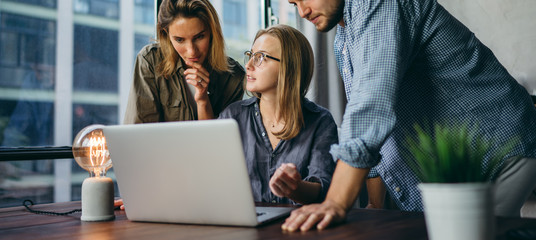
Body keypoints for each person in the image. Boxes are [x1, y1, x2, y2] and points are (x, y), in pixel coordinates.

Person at [282, 0, 536, 231]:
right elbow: (364, 117)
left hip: (497, 142)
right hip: (457, 162)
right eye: (294, 4)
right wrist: (374, 203)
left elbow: (371, 106)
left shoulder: (377, 3)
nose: (303, 11)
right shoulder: (344, 41)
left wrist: (336, 201)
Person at [218, 24, 338, 204]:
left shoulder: (321, 122)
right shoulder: (232, 117)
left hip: (299, 227)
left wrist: (296, 188)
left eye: (260, 57)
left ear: (289, 66)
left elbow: (323, 190)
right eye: (250, 55)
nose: (249, 65)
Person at [123, 0, 244, 123]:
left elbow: (219, 140)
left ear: (212, 32)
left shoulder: (233, 77)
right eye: (180, 40)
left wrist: (203, 102)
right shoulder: (150, 61)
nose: (191, 51)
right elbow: (140, 133)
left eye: (199, 37)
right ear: (166, 34)